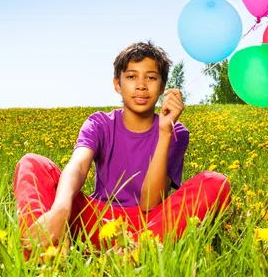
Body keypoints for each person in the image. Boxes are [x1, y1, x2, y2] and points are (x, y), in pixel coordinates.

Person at [13, 41, 230, 256]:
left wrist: (164, 132)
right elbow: (78, 167)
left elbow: (150, 202)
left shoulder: (175, 132)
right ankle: (44, 251)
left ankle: (130, 254)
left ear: (162, 87)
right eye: (132, 76)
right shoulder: (99, 123)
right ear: (117, 84)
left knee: (216, 182)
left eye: (151, 78)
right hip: (97, 221)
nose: (141, 85)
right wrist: (61, 208)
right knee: (33, 163)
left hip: (149, 225)